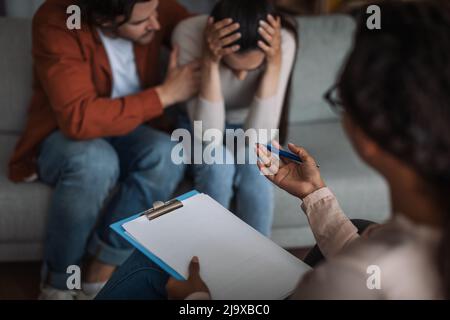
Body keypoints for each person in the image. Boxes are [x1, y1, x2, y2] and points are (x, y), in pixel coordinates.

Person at [96, 0, 450, 300]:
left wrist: (195, 297)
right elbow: (207, 138)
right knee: (356, 224)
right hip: (210, 130)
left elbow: (256, 139)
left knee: (153, 262)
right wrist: (315, 194)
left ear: (369, 134)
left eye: (340, 100)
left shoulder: (343, 284)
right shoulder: (394, 255)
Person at [8, 0, 200, 300]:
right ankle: (59, 283)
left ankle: (103, 268)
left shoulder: (147, 7)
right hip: (63, 136)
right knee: (95, 161)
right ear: (105, 20)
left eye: (156, 13)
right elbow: (78, 119)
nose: (157, 25)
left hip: (133, 130)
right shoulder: (58, 19)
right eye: (142, 22)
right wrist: (166, 94)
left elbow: (201, 27)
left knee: (167, 152)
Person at [172, 0, 298, 236]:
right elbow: (208, 135)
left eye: (250, 70)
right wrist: (210, 63)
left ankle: (258, 262)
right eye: (230, 67)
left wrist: (273, 66)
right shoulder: (188, 33)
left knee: (257, 163)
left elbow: (259, 137)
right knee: (218, 162)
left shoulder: (282, 41)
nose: (241, 77)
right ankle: (209, 258)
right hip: (197, 125)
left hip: (252, 126)